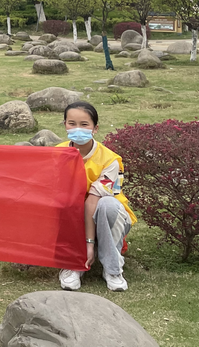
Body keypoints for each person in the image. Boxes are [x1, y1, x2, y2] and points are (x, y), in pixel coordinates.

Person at [56, 101, 136, 293]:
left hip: (107, 217)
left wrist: (88, 244)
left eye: (84, 124)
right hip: (72, 216)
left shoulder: (110, 160)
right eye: (72, 123)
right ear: (65, 124)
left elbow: (93, 200)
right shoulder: (56, 154)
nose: (77, 129)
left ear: (95, 128)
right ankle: (73, 265)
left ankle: (113, 270)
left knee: (107, 204)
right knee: (65, 203)